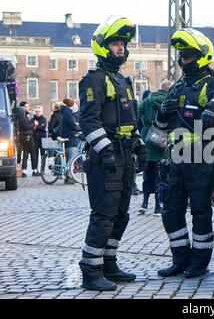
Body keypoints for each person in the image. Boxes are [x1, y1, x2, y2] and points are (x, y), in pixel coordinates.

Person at [154, 28, 214, 278]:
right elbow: (161, 125)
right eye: (182, 56)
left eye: (188, 56)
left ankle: (199, 262)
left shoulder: (212, 81)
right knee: (171, 211)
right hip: (177, 156)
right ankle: (180, 259)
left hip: (202, 155)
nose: (183, 60)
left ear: (201, 56)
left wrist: (211, 109)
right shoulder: (178, 86)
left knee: (200, 212)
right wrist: (163, 112)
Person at [78, 16, 146, 291]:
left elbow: (131, 119)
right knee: (104, 214)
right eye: (115, 43)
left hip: (124, 156)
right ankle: (90, 271)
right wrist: (105, 150)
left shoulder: (122, 80)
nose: (121, 48)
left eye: (122, 44)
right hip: (105, 159)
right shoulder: (93, 80)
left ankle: (109, 264)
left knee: (121, 214)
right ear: (103, 47)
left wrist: (139, 143)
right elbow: (89, 121)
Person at [138, 79, 172, 215]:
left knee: (147, 173)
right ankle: (158, 207)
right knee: (161, 175)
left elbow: (137, 113)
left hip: (147, 136)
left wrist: (143, 130)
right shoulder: (169, 101)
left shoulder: (148, 99)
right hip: (162, 137)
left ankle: (145, 203)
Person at [60, 98, 81, 184]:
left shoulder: (65, 111)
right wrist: (80, 129)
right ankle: (69, 176)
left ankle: (68, 175)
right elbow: (72, 124)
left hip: (68, 135)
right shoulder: (68, 112)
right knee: (72, 157)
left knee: (70, 155)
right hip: (71, 136)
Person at [18, 101, 38, 177]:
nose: (28, 108)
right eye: (27, 106)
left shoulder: (24, 116)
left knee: (28, 153)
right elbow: (25, 126)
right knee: (30, 153)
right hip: (27, 137)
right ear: (23, 108)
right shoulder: (22, 116)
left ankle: (26, 171)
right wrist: (34, 125)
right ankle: (31, 170)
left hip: (27, 136)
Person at [31, 106, 47, 175]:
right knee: (35, 155)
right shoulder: (32, 119)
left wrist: (36, 126)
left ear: (41, 112)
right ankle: (35, 169)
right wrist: (38, 126)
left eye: (39, 111)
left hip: (42, 139)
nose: (37, 113)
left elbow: (43, 128)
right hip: (34, 139)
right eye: (36, 112)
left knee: (43, 155)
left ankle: (42, 169)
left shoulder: (44, 119)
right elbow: (31, 127)